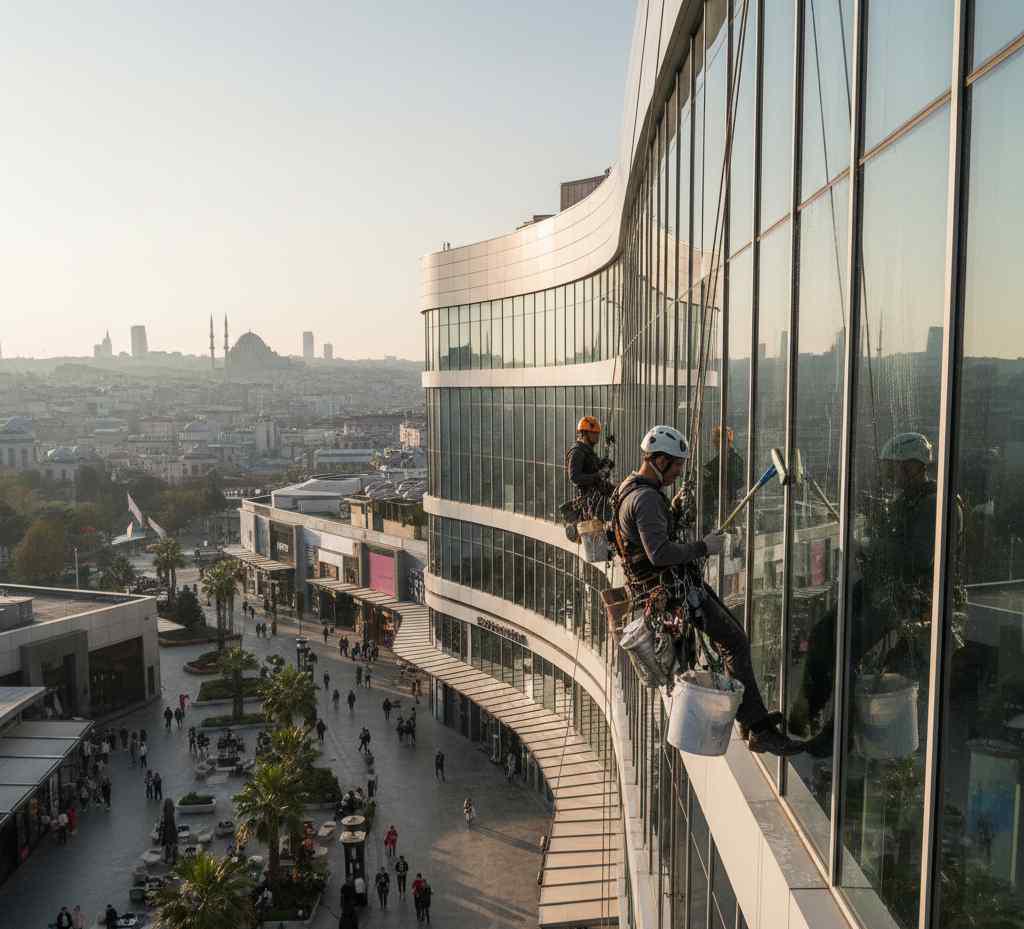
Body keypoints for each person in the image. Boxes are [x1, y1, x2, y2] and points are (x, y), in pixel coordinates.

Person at [612, 424, 802, 756]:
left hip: (674, 589)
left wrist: (672, 513)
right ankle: (758, 729)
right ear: (659, 460)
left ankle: (754, 722)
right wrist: (704, 547)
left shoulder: (631, 490)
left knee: (735, 639)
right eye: (676, 467)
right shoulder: (645, 499)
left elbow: (646, 541)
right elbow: (659, 554)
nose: (677, 474)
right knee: (735, 641)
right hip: (674, 593)